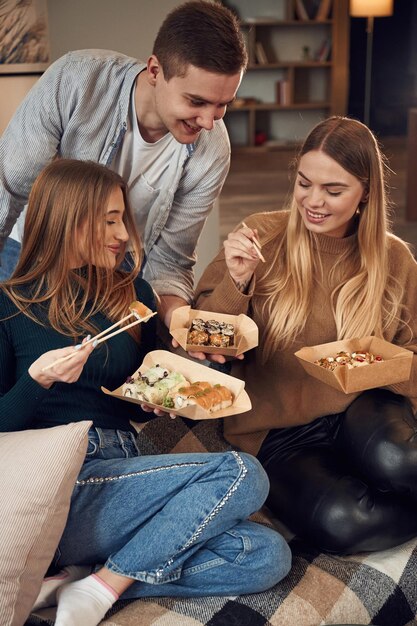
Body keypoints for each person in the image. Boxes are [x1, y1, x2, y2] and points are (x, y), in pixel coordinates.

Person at [0, 158, 291, 626]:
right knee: (242, 473)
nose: (122, 234)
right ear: (66, 218)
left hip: (132, 471)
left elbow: (158, 375)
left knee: (264, 554)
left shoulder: (127, 289)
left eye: (122, 219)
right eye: (108, 220)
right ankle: (103, 588)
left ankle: (91, 579)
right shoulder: (10, 304)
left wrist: (181, 377)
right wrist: (39, 381)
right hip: (63, 485)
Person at [195, 116, 417, 555]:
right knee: (346, 523)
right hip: (278, 432)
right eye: (304, 183)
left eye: (334, 191)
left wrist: (377, 366)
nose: (313, 201)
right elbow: (204, 344)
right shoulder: (263, 236)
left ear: (365, 193)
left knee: (403, 461)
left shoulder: (394, 258)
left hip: (362, 407)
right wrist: (236, 282)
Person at [0, 1, 247, 327]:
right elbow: (8, 187)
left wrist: (176, 320)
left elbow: (171, 259)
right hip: (35, 252)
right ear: (155, 71)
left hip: (119, 266)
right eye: (196, 101)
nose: (208, 121)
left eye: (222, 105)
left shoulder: (212, 150)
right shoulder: (75, 79)